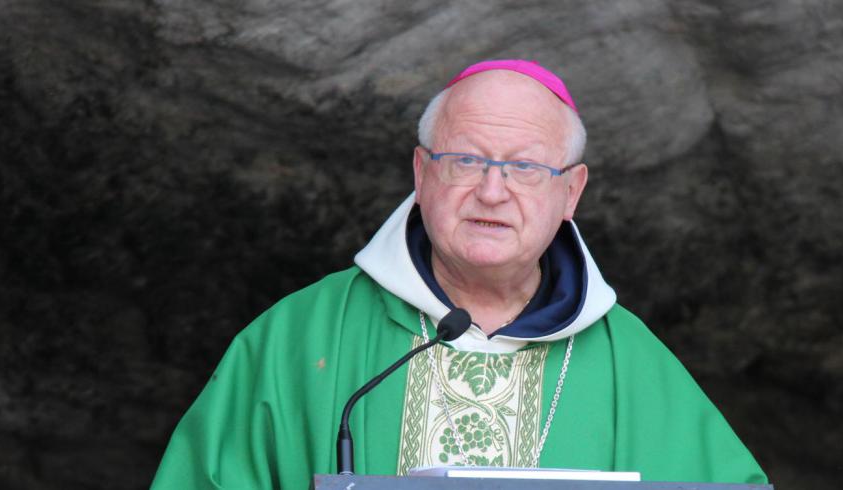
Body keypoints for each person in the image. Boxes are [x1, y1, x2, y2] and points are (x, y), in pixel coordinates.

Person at [150, 60, 767, 489]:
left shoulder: (632, 363)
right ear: (421, 174)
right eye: (466, 160)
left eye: (525, 168)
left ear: (571, 192)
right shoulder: (297, 339)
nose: (492, 192)